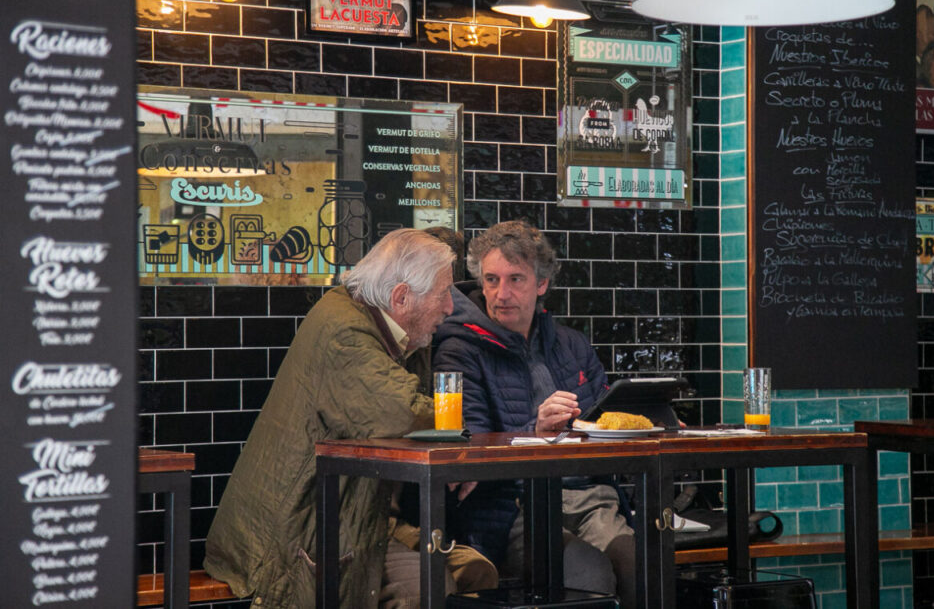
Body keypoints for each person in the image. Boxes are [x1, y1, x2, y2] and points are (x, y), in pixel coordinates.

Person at [204, 228, 497, 608]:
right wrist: (459, 436)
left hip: (357, 517)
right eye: (443, 294)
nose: (450, 308)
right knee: (429, 586)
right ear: (401, 297)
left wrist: (453, 439)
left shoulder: (392, 327)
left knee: (477, 571)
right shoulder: (344, 330)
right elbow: (401, 410)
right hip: (293, 537)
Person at [432, 220, 636, 607]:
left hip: (588, 496)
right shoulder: (458, 349)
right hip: (515, 507)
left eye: (515, 280)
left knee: (639, 563)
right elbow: (467, 445)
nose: (500, 293)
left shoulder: (572, 345)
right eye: (491, 279)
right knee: (584, 570)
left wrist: (646, 422)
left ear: (541, 284)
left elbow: (603, 421)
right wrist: (535, 429)